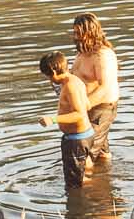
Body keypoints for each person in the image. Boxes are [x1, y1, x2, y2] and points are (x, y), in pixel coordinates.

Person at [38, 51, 96, 188]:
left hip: (77, 141)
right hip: (86, 136)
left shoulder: (70, 86)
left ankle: (82, 204)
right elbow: (87, 105)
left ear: (53, 72)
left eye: (47, 76)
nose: (49, 80)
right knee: (84, 175)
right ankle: (95, 191)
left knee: (74, 184)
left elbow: (79, 114)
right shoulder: (75, 81)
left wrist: (53, 119)